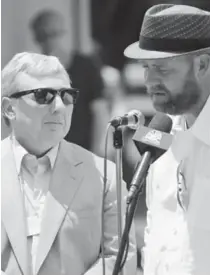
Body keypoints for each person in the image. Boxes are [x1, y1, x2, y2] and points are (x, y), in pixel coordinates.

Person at [1, 52, 137, 275]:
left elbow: (120, 257)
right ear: (9, 108)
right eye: (43, 95)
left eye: (66, 96)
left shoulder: (105, 175)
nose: (59, 106)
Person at [124, 4, 210, 275]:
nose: (149, 81)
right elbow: (156, 230)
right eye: (146, 67)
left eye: (162, 69)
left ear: (202, 64)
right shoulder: (161, 134)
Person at [29, 10, 107, 156]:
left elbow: (99, 110)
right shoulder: (34, 73)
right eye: (43, 36)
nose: (49, 41)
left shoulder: (86, 66)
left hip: (81, 151)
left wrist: (96, 152)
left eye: (54, 34)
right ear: (37, 38)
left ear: (63, 33)